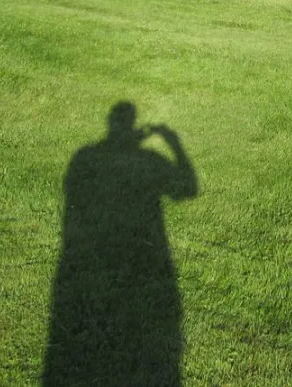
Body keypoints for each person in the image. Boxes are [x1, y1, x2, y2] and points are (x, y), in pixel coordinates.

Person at [43, 102, 197, 386]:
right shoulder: (148, 159)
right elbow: (188, 187)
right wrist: (173, 143)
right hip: (143, 256)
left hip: (87, 257)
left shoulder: (85, 157)